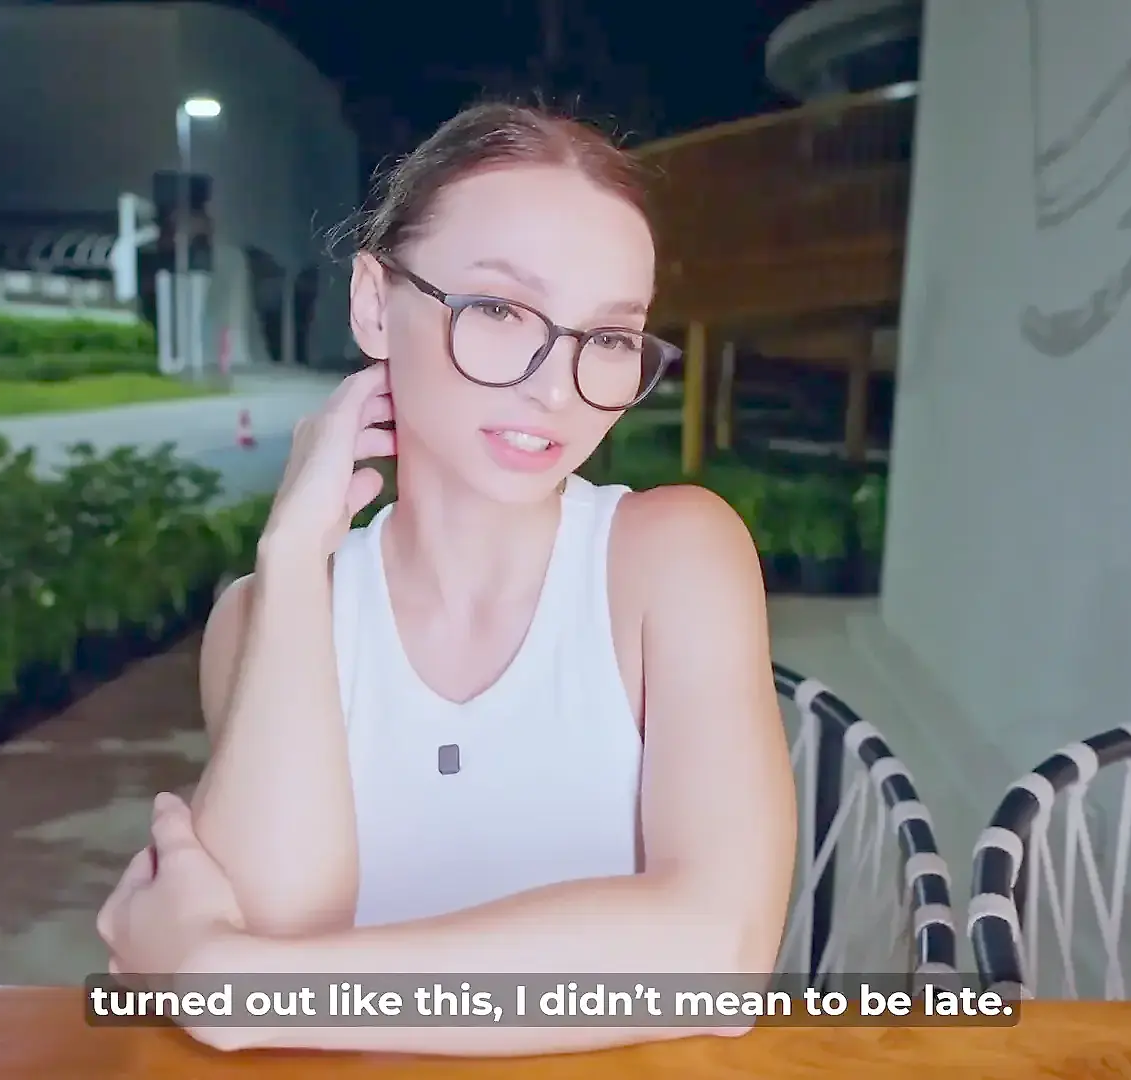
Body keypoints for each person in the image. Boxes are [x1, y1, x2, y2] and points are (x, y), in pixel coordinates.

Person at [97, 102, 796, 1057]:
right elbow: (277, 926)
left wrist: (233, 988)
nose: (556, 387)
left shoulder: (672, 558)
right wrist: (292, 563)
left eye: (607, 337)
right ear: (374, 304)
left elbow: (717, 956)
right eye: (500, 311)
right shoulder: (269, 616)